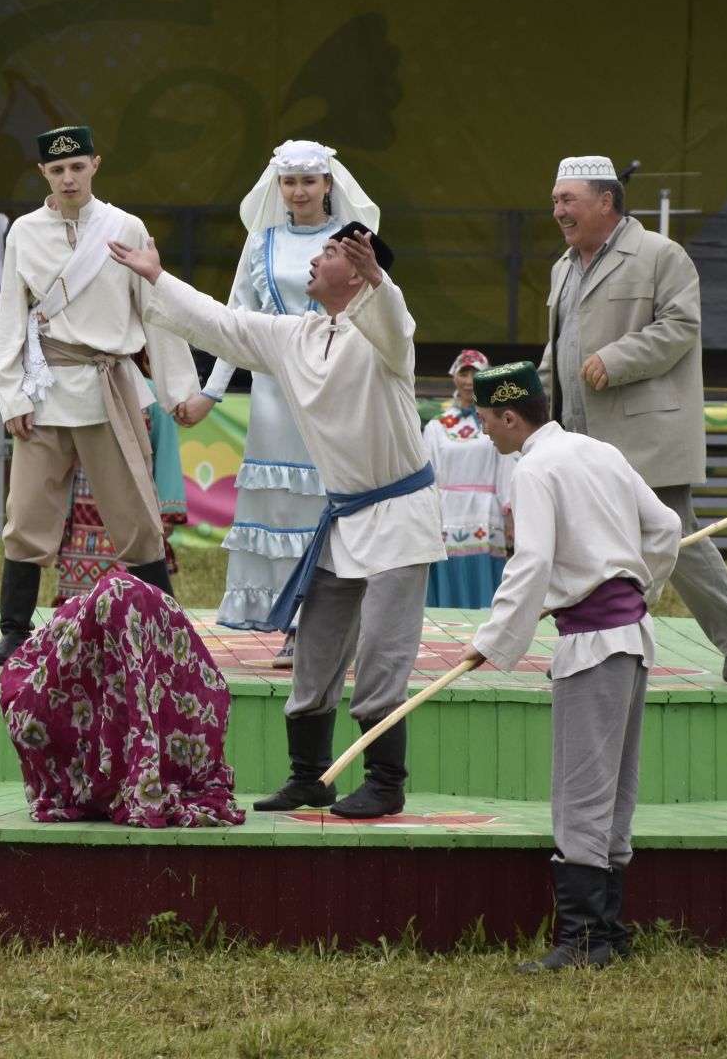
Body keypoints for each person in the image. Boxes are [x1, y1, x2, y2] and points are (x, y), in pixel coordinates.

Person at [111, 222, 444, 820]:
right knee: (315, 651)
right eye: (323, 248)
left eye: (333, 252)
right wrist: (158, 276)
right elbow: (221, 323)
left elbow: (393, 320)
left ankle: (386, 782)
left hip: (398, 517)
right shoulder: (295, 335)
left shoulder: (386, 337)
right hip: (342, 518)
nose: (314, 259)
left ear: (362, 271)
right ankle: (308, 778)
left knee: (381, 658)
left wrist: (377, 278)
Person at [451, 361, 681, 971]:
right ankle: (607, 933)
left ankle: (584, 941)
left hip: (592, 645)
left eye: (485, 419)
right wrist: (641, 591)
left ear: (509, 414)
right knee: (615, 791)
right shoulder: (597, 451)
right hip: (633, 639)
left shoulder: (534, 468)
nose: (485, 432)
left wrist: (491, 641)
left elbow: (531, 564)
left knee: (581, 792)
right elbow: (667, 527)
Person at [538, 154, 727, 682]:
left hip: (646, 433)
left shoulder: (662, 255)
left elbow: (680, 327)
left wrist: (614, 360)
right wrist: (532, 406)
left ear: (605, 201)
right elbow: (557, 349)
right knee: (579, 542)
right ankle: (584, 646)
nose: (558, 212)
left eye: (567, 200)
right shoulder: (563, 267)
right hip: (577, 433)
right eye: (555, 202)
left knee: (674, 535)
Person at [0, 126, 200, 665]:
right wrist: (13, 397)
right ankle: (14, 629)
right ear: (43, 175)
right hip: (48, 384)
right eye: (57, 170)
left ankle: (164, 630)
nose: (68, 177)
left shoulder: (124, 225)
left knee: (134, 513)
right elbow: (10, 317)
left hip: (110, 384)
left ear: (95, 165)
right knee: (27, 512)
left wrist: (178, 392)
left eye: (77, 166)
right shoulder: (24, 233)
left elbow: (155, 308)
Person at [174, 140, 383, 666]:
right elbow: (233, 323)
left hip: (334, 387)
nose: (299, 191)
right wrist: (209, 392)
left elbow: (380, 312)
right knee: (285, 505)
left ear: (328, 184)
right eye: (290, 182)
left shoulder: (353, 242)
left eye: (309, 181)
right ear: (278, 186)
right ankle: (290, 620)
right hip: (274, 394)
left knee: (331, 504)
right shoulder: (260, 242)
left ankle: (331, 624)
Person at [0, 571, 244, 827]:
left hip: (161, 691)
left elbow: (205, 697)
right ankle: (105, 780)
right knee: (113, 689)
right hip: (88, 680)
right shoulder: (78, 618)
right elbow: (20, 681)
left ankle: (113, 778)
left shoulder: (178, 649)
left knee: (130, 689)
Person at [54, 375, 186, 605]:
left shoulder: (150, 394)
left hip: (136, 512)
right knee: (82, 606)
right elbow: (65, 455)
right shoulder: (77, 387)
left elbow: (166, 452)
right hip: (85, 527)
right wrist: (60, 513)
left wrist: (167, 509)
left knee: (139, 600)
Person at [423, 349, 515, 608]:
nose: (468, 380)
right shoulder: (436, 427)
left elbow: (507, 467)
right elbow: (428, 477)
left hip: (486, 514)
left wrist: (510, 513)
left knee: (485, 585)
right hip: (447, 514)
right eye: (464, 373)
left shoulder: (500, 422)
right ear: (454, 377)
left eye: (476, 373)